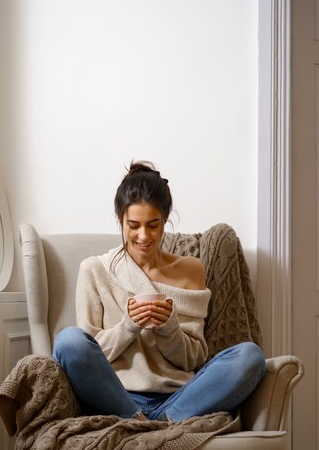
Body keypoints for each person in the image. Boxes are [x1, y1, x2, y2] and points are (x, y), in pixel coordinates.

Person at [53, 160, 265, 422]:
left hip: (179, 396)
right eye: (133, 225)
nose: (143, 236)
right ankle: (133, 417)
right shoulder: (95, 270)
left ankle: (162, 423)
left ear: (165, 220)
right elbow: (91, 355)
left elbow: (194, 358)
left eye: (153, 225)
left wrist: (169, 326)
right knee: (68, 341)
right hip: (117, 395)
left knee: (250, 356)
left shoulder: (191, 271)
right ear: (120, 220)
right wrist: (129, 326)